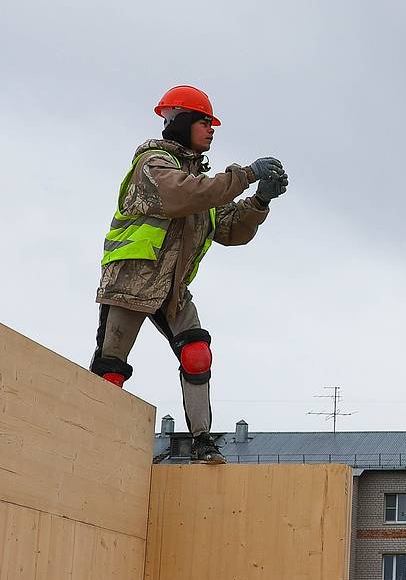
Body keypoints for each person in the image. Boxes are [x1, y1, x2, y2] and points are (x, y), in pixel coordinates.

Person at [90, 85, 289, 461]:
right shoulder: (154, 165)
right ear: (180, 123)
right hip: (132, 281)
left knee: (197, 354)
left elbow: (229, 229)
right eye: (203, 121)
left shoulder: (199, 181)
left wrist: (260, 201)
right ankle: (96, 438)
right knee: (111, 369)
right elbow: (184, 195)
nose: (211, 129)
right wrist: (246, 175)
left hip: (173, 289)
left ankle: (202, 442)